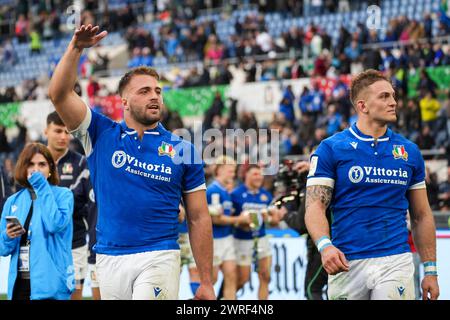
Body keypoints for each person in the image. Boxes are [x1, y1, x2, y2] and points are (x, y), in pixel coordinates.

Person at [48, 24, 215, 300]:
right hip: (109, 257)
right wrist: (76, 48)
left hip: (159, 254)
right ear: (124, 102)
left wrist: (206, 281)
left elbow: (198, 217)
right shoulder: (100, 133)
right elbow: (60, 95)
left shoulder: (183, 149)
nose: (154, 96)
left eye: (158, 91)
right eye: (144, 91)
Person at [305, 69, 440, 300]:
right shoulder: (331, 148)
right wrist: (325, 246)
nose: (393, 102)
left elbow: (421, 215)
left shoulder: (410, 152)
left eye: (393, 96)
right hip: (347, 262)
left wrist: (430, 270)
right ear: (362, 106)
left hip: (395, 259)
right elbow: (314, 207)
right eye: (384, 97)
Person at [0, 143, 74, 300]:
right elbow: (3, 249)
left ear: (50, 169)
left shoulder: (64, 195)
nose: (36, 169)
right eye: (31, 164)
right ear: (23, 168)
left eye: (42, 164)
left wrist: (41, 185)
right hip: (19, 285)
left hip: (52, 285)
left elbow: (55, 224)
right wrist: (8, 236)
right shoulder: (12, 201)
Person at [44, 111, 94, 300]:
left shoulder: (81, 163)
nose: (63, 136)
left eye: (67, 132)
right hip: (43, 243)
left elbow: (90, 203)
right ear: (46, 131)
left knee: (74, 294)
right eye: (58, 131)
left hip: (75, 243)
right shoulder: (34, 161)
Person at [231, 164, 282, 300]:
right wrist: (240, 221)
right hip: (242, 240)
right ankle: (225, 297)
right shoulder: (235, 194)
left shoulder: (266, 195)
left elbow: (275, 221)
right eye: (254, 174)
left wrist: (270, 217)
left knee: (265, 275)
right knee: (243, 279)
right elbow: (230, 219)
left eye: (260, 174)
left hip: (261, 238)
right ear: (245, 175)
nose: (259, 177)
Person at [207, 156, 250, 300]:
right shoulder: (213, 191)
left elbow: (224, 214)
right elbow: (215, 219)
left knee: (231, 276)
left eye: (234, 171)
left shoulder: (225, 192)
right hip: (214, 241)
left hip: (227, 239)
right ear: (219, 170)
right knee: (211, 280)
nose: (233, 175)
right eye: (230, 171)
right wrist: (240, 219)